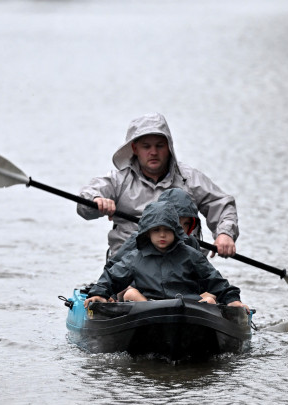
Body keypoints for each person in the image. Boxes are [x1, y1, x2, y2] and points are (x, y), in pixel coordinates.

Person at [77, 113, 238, 259]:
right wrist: (97, 200)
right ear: (135, 148)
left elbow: (222, 205)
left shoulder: (190, 178)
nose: (153, 152)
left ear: (169, 147)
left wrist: (225, 234)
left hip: (182, 265)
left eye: (159, 146)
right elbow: (85, 203)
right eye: (146, 146)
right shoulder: (117, 180)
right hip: (129, 264)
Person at [84, 201, 249, 311]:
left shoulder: (191, 255)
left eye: (167, 230)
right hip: (149, 308)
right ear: (147, 233)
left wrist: (232, 300)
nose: (162, 235)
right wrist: (99, 293)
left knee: (209, 301)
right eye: (156, 230)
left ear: (175, 231)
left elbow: (215, 281)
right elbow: (112, 277)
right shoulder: (135, 257)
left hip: (187, 309)